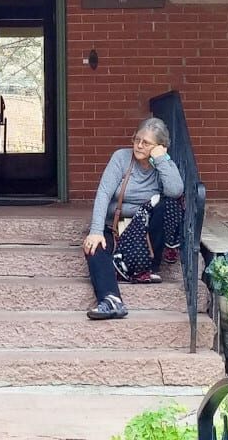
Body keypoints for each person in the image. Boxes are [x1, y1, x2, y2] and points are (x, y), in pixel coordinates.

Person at [83, 117, 184, 320]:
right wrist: (95, 231)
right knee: (94, 247)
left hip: (144, 233)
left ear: (160, 147)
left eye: (146, 143)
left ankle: (148, 267)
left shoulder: (164, 165)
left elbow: (175, 190)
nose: (138, 145)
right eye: (136, 139)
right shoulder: (121, 158)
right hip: (115, 227)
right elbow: (103, 193)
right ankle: (111, 299)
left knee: (167, 204)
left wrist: (161, 159)